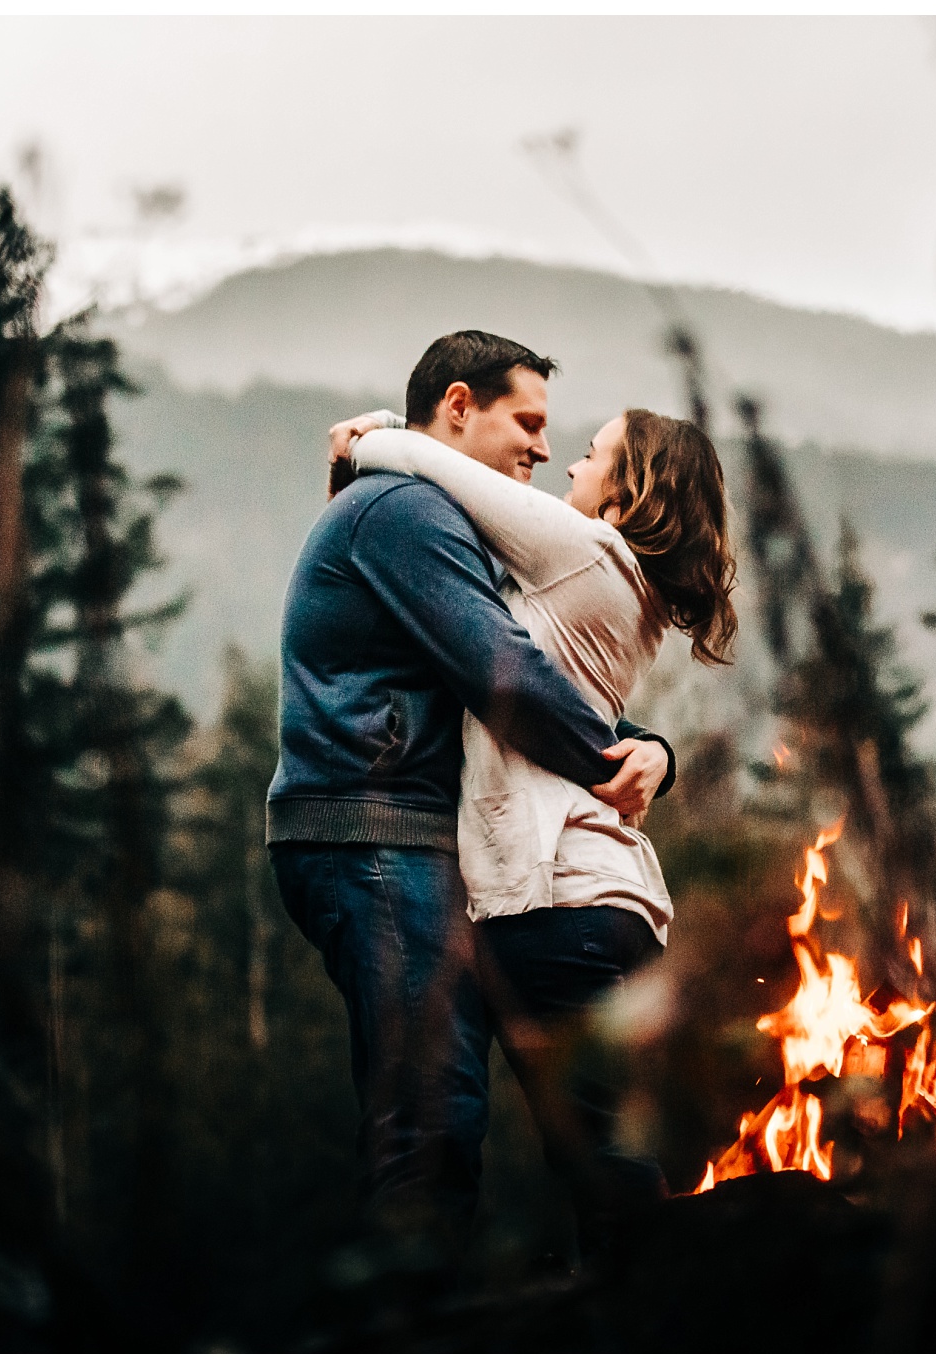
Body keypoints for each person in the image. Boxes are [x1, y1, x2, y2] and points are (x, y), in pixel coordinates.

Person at [265, 331, 676, 1287]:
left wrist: (650, 747)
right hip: (374, 831)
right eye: (526, 423)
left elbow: (525, 658)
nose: (541, 448)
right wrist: (608, 760)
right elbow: (502, 670)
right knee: (429, 1116)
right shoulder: (407, 510)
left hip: (400, 832)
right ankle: (411, 1330)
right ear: (458, 406)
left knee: (445, 1111)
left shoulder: (419, 510)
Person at [326, 395, 737, 1266]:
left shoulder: (581, 547)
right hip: (603, 903)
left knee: (603, 1169)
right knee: (601, 1159)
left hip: (564, 900)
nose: (569, 468)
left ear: (626, 496)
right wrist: (658, 751)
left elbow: (450, 475)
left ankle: (678, 1319)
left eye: (591, 455)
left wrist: (374, 438)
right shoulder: (625, 583)